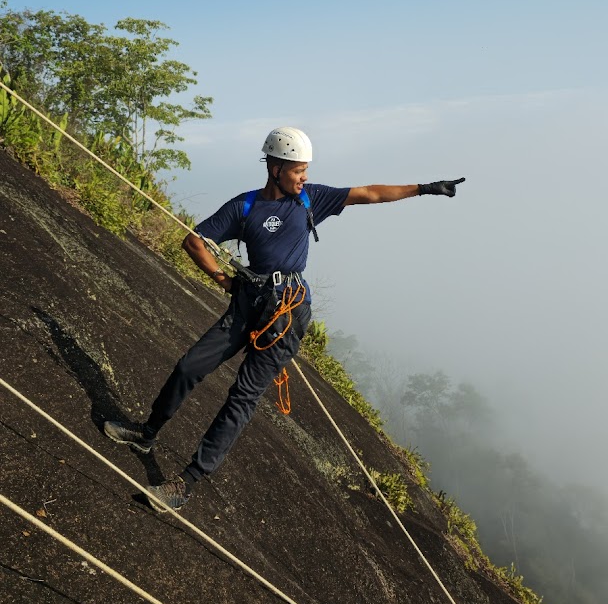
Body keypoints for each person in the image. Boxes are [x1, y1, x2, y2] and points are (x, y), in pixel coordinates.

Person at [104, 126, 464, 512]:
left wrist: (424, 188)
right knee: (191, 365)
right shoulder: (244, 207)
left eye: (305, 169)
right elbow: (194, 241)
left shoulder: (311, 199)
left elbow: (371, 194)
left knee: (242, 395)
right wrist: (223, 280)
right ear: (275, 168)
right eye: (297, 170)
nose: (303, 177)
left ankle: (185, 484)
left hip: (287, 313)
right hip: (247, 303)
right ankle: (148, 432)